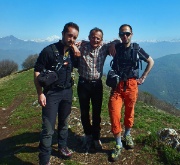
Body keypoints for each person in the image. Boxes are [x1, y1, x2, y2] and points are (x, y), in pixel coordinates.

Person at [34, 22, 80, 165]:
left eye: (74, 37)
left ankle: (62, 146)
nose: (71, 39)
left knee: (64, 123)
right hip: (51, 93)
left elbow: (77, 66)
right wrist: (40, 93)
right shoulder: (49, 51)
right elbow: (37, 71)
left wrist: (77, 54)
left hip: (67, 91)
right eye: (69, 35)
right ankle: (44, 159)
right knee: (48, 128)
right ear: (63, 34)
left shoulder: (73, 53)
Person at [108, 24, 154, 161]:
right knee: (114, 113)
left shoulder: (136, 49)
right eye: (122, 34)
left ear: (131, 34)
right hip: (117, 86)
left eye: (127, 33)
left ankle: (127, 134)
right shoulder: (115, 47)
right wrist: (112, 43)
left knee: (129, 112)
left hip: (132, 85)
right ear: (119, 35)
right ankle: (118, 143)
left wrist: (143, 77)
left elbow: (151, 61)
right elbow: (98, 43)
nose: (125, 36)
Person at [76, 27, 117, 152]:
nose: (95, 40)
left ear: (101, 40)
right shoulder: (83, 46)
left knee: (96, 112)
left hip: (97, 85)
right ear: (89, 37)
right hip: (83, 83)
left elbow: (118, 41)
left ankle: (96, 137)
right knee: (84, 111)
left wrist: (113, 44)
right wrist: (78, 43)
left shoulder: (104, 47)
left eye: (98, 38)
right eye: (93, 37)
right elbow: (70, 43)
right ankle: (87, 135)